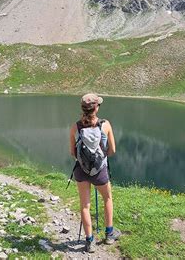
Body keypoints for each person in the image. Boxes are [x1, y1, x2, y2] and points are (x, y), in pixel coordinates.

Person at [69, 93, 121, 253]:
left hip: (81, 171)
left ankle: (89, 241)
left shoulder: (75, 127)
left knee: (85, 205)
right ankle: (109, 235)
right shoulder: (105, 125)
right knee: (108, 199)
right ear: (96, 108)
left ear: (83, 109)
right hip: (100, 171)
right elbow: (112, 150)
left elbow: (73, 153)